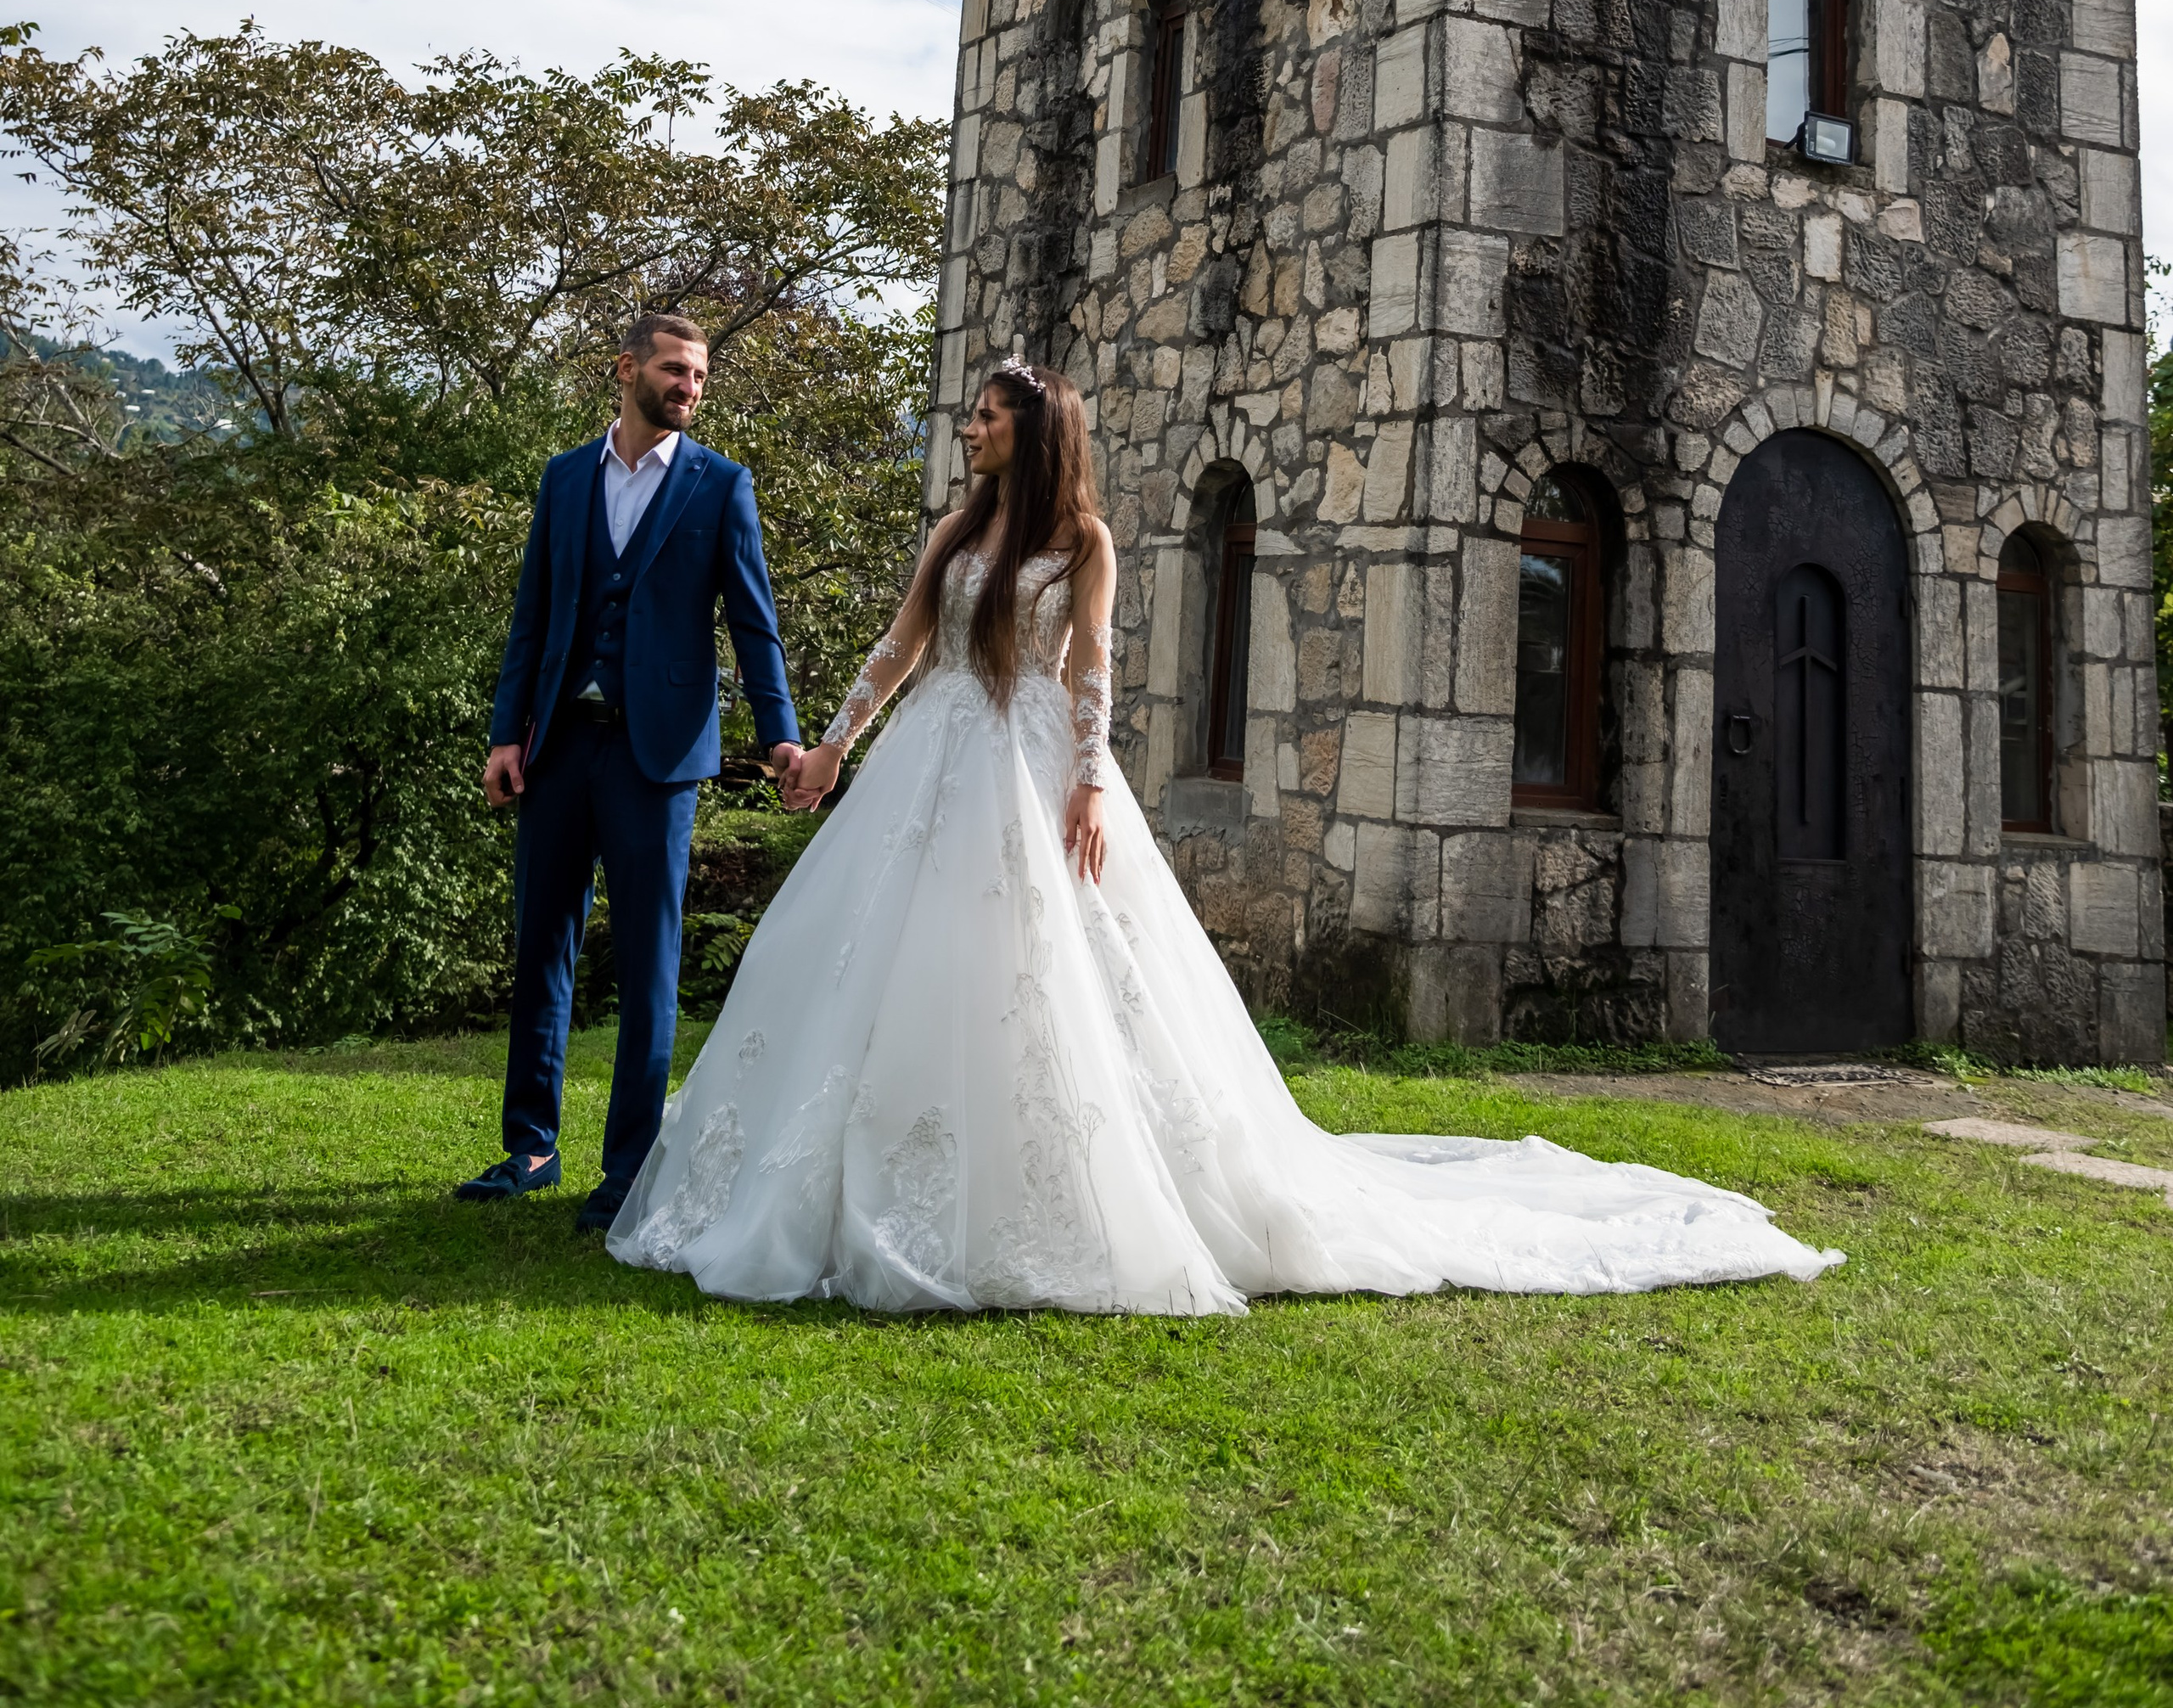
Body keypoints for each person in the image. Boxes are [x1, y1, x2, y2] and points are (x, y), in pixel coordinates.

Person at [609, 360, 1840, 1310]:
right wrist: (832, 743)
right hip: (934, 756)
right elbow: (902, 644)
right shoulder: (961, 528)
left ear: (1033, 434)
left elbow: (1093, 669)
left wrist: (1092, 783)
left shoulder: (1078, 539)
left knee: (1042, 970)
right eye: (975, 415)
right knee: (874, 963)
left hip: (1034, 764)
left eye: (987, 416)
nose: (971, 429)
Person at [455, 310, 805, 1233]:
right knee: (541, 948)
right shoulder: (565, 476)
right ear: (627, 370)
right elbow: (531, 614)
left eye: (698, 375)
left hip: (660, 758)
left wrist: (781, 738)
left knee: (649, 968)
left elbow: (755, 623)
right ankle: (529, 1145)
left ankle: (630, 1169)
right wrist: (505, 733)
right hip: (559, 744)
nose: (689, 386)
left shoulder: (721, 485)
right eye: (675, 370)